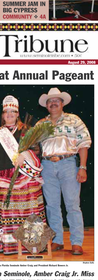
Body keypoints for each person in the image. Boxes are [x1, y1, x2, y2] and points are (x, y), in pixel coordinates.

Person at [0, 95, 46, 255]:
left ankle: (31, 245)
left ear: (18, 113)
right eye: (6, 112)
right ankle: (6, 245)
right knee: (6, 212)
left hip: (24, 176)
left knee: (27, 211)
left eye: (13, 111)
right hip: (2, 178)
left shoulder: (27, 130)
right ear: (3, 114)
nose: (10, 115)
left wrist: (25, 155)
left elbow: (37, 151)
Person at [37, 88, 92, 255]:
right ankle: (57, 241)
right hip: (46, 166)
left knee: (72, 205)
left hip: (68, 163)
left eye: (56, 100)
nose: (53, 103)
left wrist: (82, 167)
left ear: (62, 103)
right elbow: (33, 148)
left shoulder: (74, 120)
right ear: (46, 105)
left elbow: (84, 143)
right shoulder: (40, 124)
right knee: (52, 206)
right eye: (50, 101)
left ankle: (76, 242)